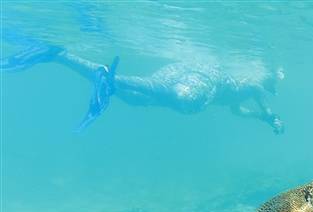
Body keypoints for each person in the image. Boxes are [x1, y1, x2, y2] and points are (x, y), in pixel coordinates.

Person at [1, 44, 285, 134]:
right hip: (201, 78)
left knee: (139, 98)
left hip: (189, 71)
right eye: (275, 80)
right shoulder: (256, 83)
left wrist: (261, 118)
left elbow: (238, 111)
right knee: (182, 100)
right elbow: (262, 103)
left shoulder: (247, 88)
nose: (273, 86)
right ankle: (110, 79)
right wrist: (271, 118)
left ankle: (61, 56)